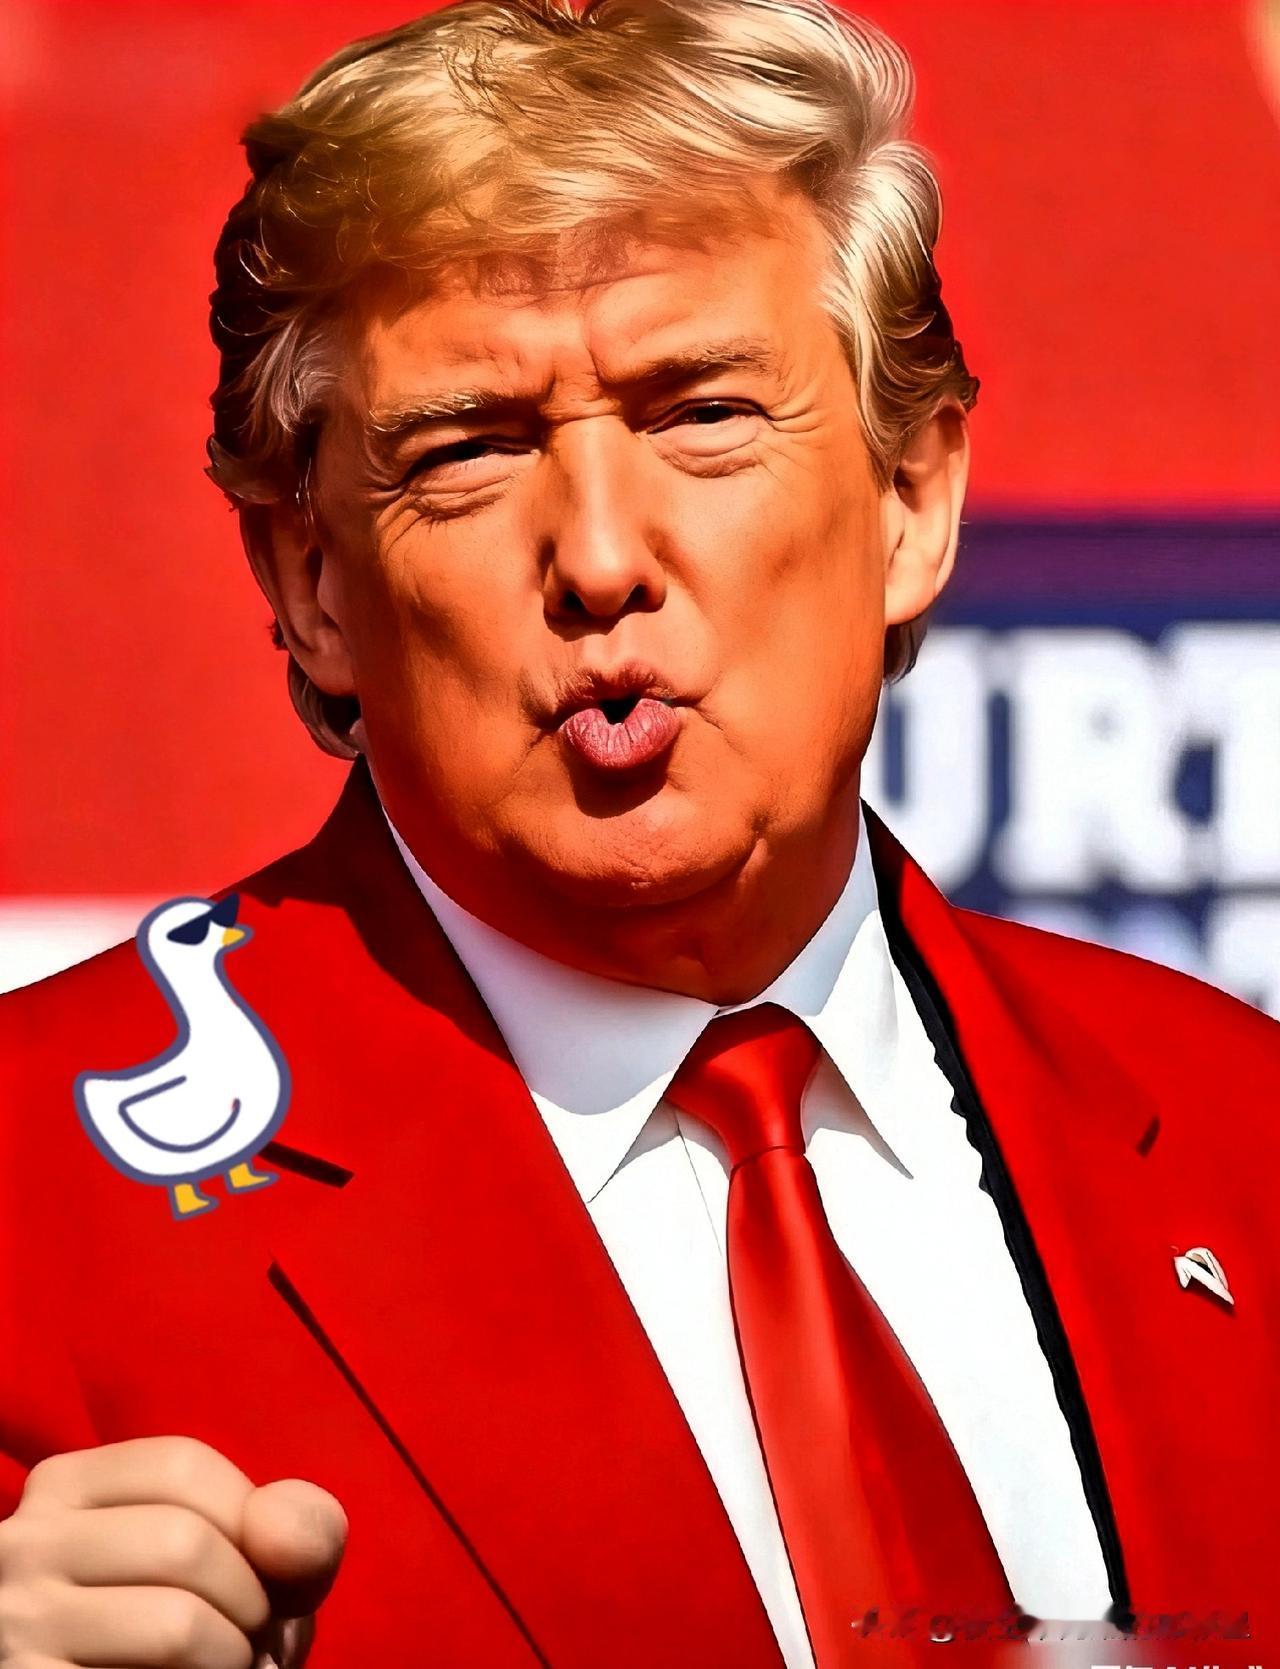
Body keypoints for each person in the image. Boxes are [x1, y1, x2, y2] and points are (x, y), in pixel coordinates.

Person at [0, 1, 1275, 1664]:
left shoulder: (1242, 1128)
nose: (601, 555)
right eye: (470, 448)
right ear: (313, 583)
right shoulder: (34, 1211)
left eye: (702, 414)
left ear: (911, 499)